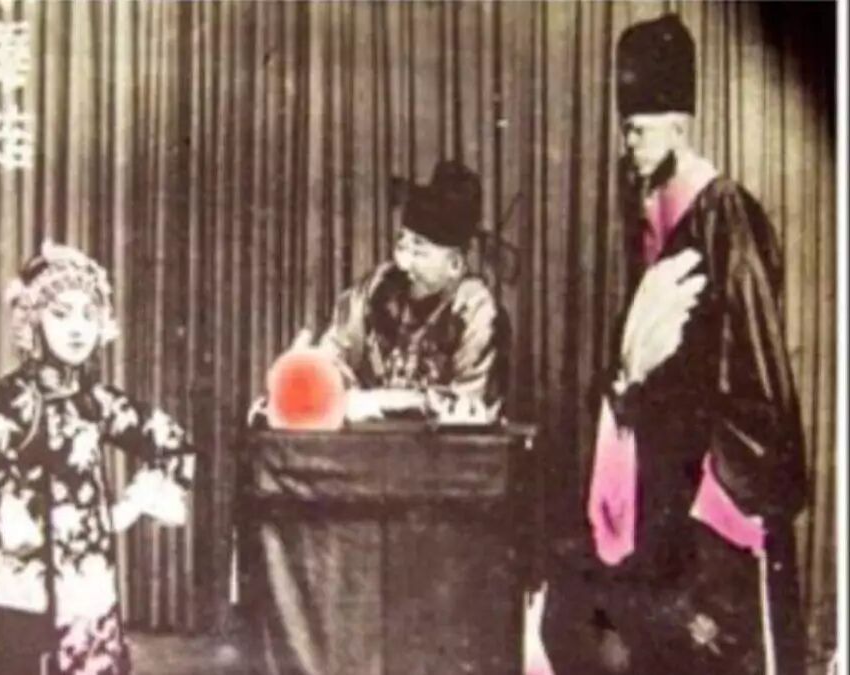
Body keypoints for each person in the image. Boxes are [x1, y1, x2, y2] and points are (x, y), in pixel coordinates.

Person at [541, 14, 807, 675]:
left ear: (679, 126)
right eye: (625, 129)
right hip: (664, 476)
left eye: (638, 129)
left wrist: (731, 486)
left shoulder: (723, 213)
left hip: (714, 483)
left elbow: (757, 368)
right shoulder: (658, 215)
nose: (627, 143)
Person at [0, 241, 195, 675]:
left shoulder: (98, 402)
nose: (78, 329)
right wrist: (7, 510)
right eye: (61, 314)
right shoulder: (12, 399)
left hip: (85, 584)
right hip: (20, 588)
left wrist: (128, 507)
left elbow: (171, 442)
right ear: (33, 321)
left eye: (88, 315)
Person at [254, 159, 509, 426]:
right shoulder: (379, 285)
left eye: (419, 251)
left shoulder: (477, 311)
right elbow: (336, 352)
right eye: (402, 245)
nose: (403, 262)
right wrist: (306, 372)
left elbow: (468, 407)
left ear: (454, 264)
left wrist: (376, 402)